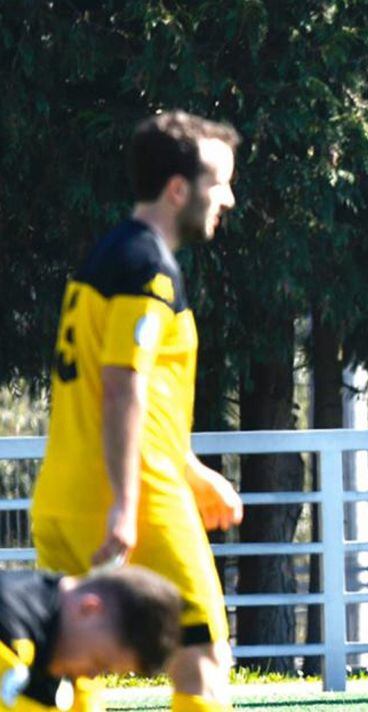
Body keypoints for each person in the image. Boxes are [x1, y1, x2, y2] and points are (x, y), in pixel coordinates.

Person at [30, 111, 243, 712]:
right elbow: (122, 386)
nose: (226, 198)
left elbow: (136, 397)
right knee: (202, 664)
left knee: (70, 673)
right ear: (179, 189)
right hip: (132, 504)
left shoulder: (106, 256)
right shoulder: (147, 270)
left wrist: (192, 470)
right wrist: (125, 508)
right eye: (218, 183)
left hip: (64, 503)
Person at [1, 566, 182, 711]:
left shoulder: (57, 643)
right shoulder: (10, 631)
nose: (92, 675)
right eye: (99, 662)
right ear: (90, 609)